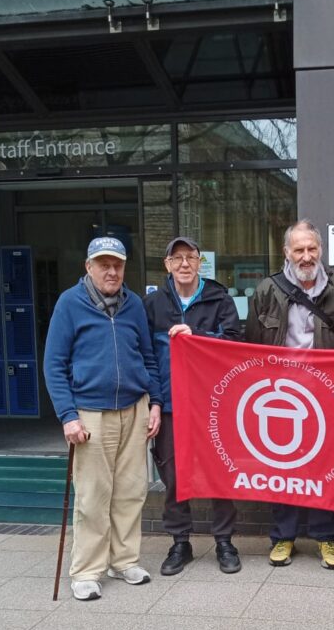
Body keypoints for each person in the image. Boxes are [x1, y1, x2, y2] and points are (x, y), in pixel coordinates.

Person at [43, 236, 162, 601]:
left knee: (130, 491)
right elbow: (54, 365)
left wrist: (154, 402)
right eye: (103, 264)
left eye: (118, 265)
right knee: (93, 496)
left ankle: (124, 560)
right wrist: (67, 416)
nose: (111, 271)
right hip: (90, 415)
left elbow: (148, 356)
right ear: (88, 267)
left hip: (134, 408)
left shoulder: (134, 305)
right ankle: (87, 571)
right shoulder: (69, 303)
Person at [246, 219, 334, 568]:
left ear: (320, 250)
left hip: (325, 396)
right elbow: (250, 348)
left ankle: (326, 538)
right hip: (280, 395)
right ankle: (283, 536)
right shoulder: (267, 289)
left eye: (312, 248)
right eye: (299, 249)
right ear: (287, 252)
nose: (306, 255)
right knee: (283, 466)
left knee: (326, 467)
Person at [144, 236, 243, 576]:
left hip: (214, 405)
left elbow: (234, 346)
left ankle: (225, 541)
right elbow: (148, 359)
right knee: (173, 475)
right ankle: (180, 542)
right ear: (167, 265)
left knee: (218, 472)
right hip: (170, 406)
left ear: (201, 262)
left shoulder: (220, 299)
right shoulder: (153, 304)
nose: (184, 264)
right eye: (177, 258)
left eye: (190, 257)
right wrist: (154, 402)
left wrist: (198, 335)